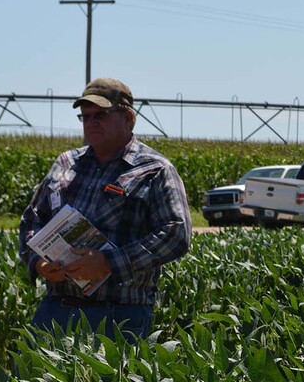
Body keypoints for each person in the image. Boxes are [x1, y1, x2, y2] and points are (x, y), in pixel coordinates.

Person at [18, 78, 191, 339]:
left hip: (118, 316)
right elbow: (32, 219)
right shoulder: (66, 163)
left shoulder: (154, 169)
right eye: (85, 116)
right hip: (56, 310)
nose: (91, 122)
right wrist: (39, 264)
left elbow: (176, 234)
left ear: (128, 119)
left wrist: (109, 263)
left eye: (101, 115)